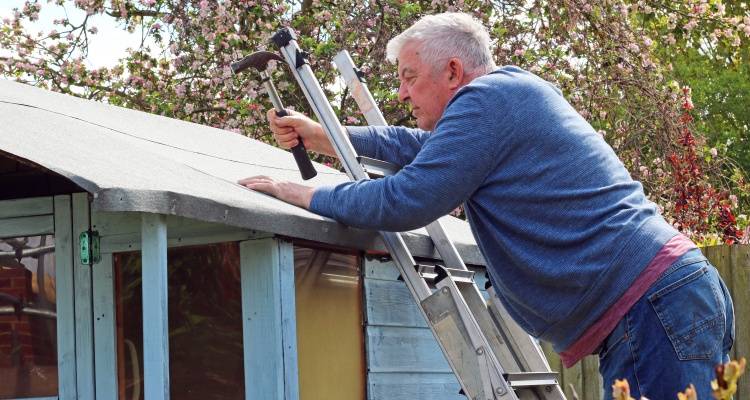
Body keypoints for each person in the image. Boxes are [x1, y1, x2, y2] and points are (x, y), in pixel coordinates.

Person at [238, 12, 735, 399]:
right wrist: (326, 137)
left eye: (410, 77)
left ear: (453, 70)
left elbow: (407, 198)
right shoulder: (503, 98)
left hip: (651, 308)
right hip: (657, 304)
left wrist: (308, 194)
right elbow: (422, 148)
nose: (402, 91)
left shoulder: (486, 101)